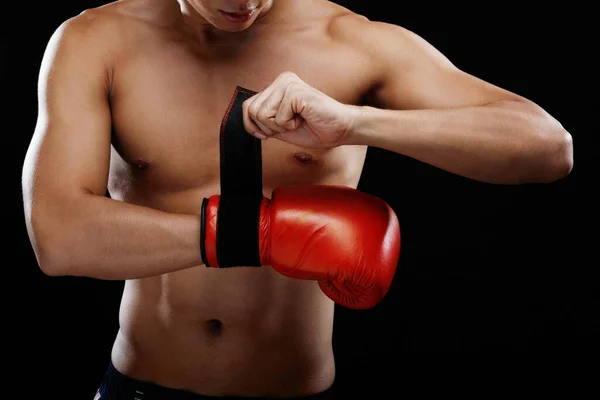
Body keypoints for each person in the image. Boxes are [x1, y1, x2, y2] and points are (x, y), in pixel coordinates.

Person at [21, 0, 573, 399]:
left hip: (292, 393)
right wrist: (262, 231)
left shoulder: (349, 42)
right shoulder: (96, 42)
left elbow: (548, 147)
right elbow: (58, 236)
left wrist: (357, 124)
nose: (244, 2)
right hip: (140, 387)